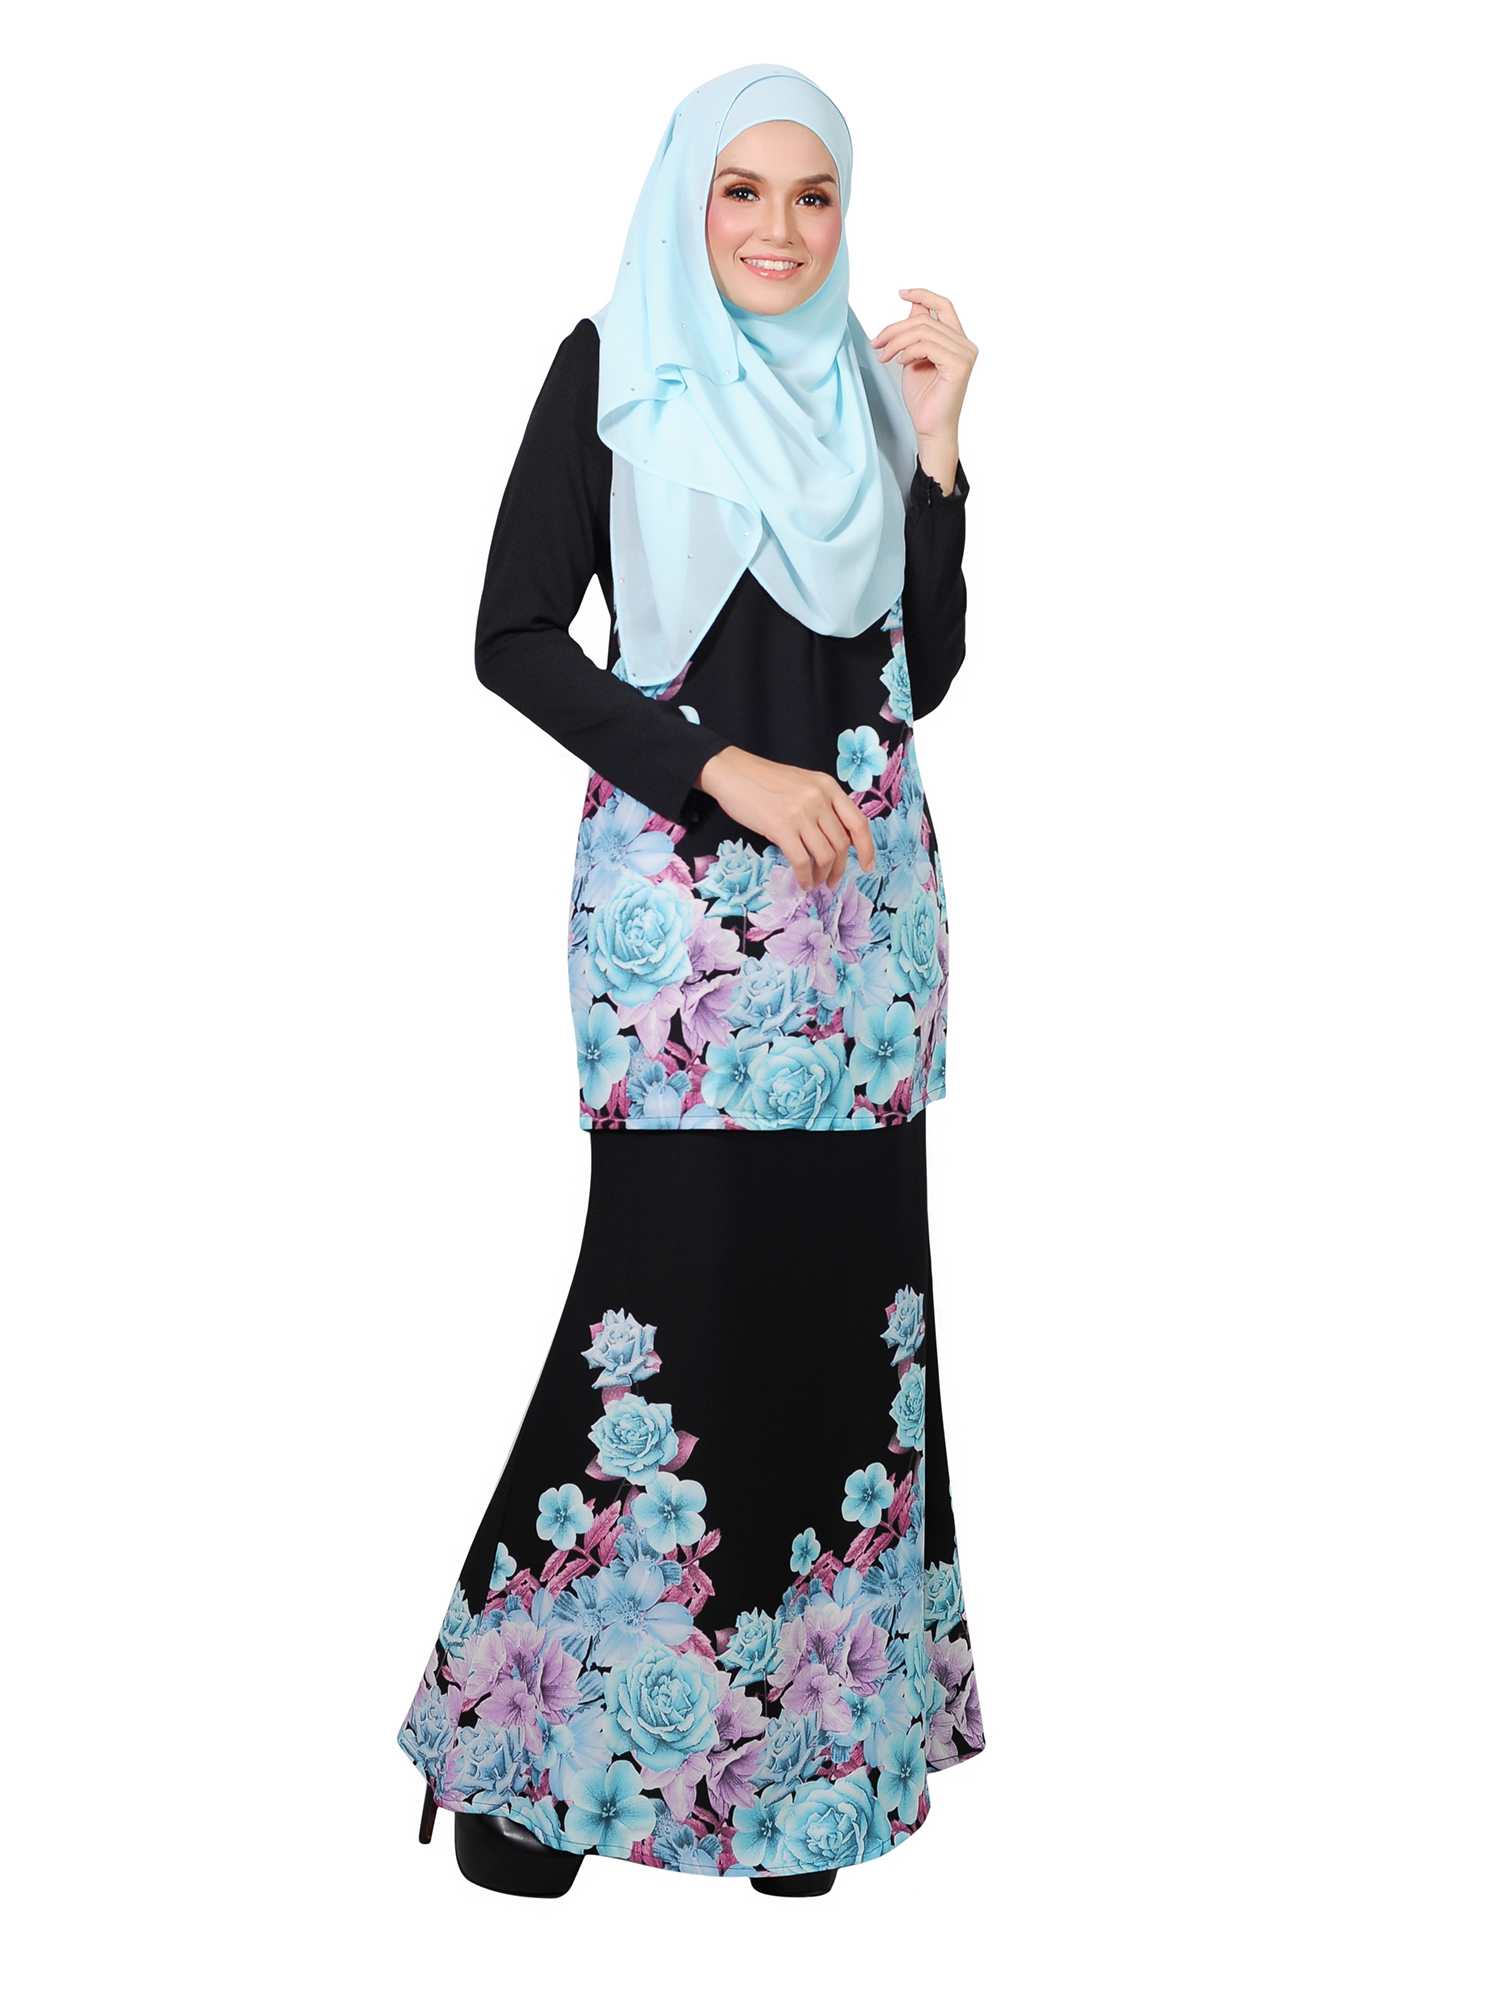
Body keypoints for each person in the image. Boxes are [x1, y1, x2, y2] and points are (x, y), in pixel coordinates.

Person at [398, 64, 984, 1900]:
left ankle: (800, 1783)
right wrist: (717, 769)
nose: (778, 229)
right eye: (742, 190)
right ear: (687, 201)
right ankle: (530, 1772)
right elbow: (510, 635)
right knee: (657, 1326)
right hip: (682, 939)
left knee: (838, 1326)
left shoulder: (865, 399)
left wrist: (939, 453)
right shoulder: (613, 372)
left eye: (814, 197)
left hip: (862, 936)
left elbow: (921, 666)